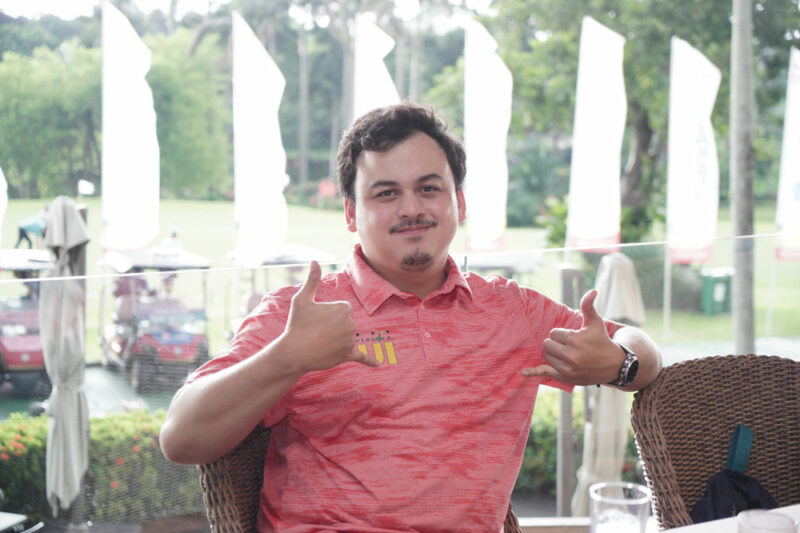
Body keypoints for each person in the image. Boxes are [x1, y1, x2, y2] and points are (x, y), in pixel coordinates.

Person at [159, 103, 662, 532]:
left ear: (457, 202)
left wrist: (618, 362)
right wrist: (286, 359)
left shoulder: (510, 311)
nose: (411, 208)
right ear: (351, 213)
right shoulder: (303, 316)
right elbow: (180, 438)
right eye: (386, 193)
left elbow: (643, 351)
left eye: (428, 188)